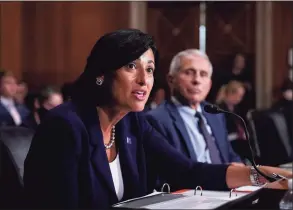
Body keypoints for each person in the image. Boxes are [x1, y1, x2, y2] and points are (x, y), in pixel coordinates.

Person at [23, 29, 292, 209]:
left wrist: (273, 177)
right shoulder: (65, 127)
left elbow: (188, 171)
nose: (144, 80)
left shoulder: (132, 123)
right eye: (131, 66)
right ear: (102, 73)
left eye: (150, 69)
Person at [146, 49, 241, 165]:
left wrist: (241, 168)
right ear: (171, 80)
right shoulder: (156, 120)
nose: (197, 80)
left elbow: (229, 155)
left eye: (203, 74)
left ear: (209, 84)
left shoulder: (216, 115)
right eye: (189, 73)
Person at [216, 80, 251, 161]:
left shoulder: (236, 108)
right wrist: (237, 135)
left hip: (238, 144)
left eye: (241, 96)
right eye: (238, 96)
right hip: (227, 145)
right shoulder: (219, 109)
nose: (239, 99)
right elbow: (220, 134)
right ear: (230, 94)